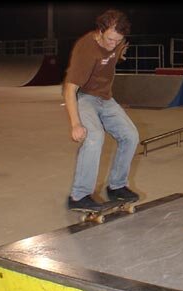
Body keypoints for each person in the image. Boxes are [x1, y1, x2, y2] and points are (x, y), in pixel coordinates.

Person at [63, 9, 139, 212]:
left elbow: (114, 50)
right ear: (100, 30)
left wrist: (119, 54)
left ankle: (116, 186)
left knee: (130, 135)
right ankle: (78, 196)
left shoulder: (117, 41)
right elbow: (69, 88)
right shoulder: (86, 49)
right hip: (85, 97)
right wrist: (75, 123)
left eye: (118, 41)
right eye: (110, 39)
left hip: (106, 98)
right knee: (94, 136)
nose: (113, 44)